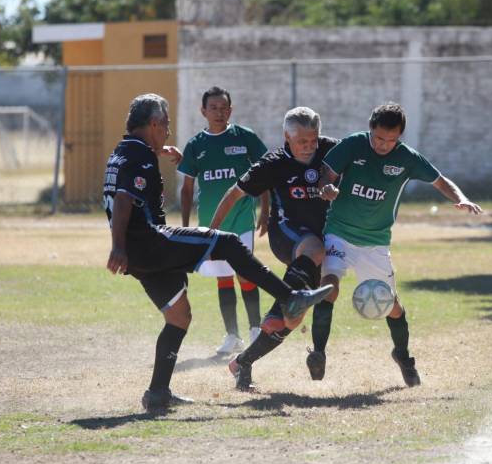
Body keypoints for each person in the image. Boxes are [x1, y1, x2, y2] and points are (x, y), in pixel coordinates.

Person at [103, 93, 332, 413]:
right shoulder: (139, 156)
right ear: (154, 124)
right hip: (148, 242)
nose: (168, 131)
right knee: (225, 243)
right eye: (165, 126)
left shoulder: (124, 152)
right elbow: (125, 199)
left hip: (139, 254)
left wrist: (160, 150)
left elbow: (124, 188)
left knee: (179, 316)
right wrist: (117, 246)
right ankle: (290, 296)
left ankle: (157, 393)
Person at [314, 102, 483, 387]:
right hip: (339, 233)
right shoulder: (352, 145)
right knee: (329, 286)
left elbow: (440, 181)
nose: (383, 145)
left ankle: (403, 356)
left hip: (376, 242)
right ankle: (318, 352)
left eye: (391, 140)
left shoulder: (407, 158)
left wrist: (460, 198)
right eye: (379, 138)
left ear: (400, 137)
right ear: (371, 129)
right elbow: (325, 175)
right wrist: (326, 188)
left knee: (391, 306)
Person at [208, 107, 339, 390]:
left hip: (317, 239)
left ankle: (242, 363)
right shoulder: (273, 163)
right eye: (302, 141)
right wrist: (212, 233)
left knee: (291, 322)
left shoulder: (331, 151)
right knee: (314, 249)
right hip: (286, 234)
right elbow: (234, 194)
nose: (309, 146)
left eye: (313, 139)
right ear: (286, 138)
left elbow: (361, 158)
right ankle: (279, 308)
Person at [178, 86, 269, 355]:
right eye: (213, 108)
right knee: (223, 277)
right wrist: (185, 226)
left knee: (245, 272)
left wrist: (266, 210)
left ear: (231, 110)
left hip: (242, 219)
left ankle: (255, 330)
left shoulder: (245, 138)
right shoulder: (196, 145)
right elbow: (186, 189)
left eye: (224, 107)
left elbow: (265, 174)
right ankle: (232, 336)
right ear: (203, 111)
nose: (219, 112)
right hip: (211, 223)